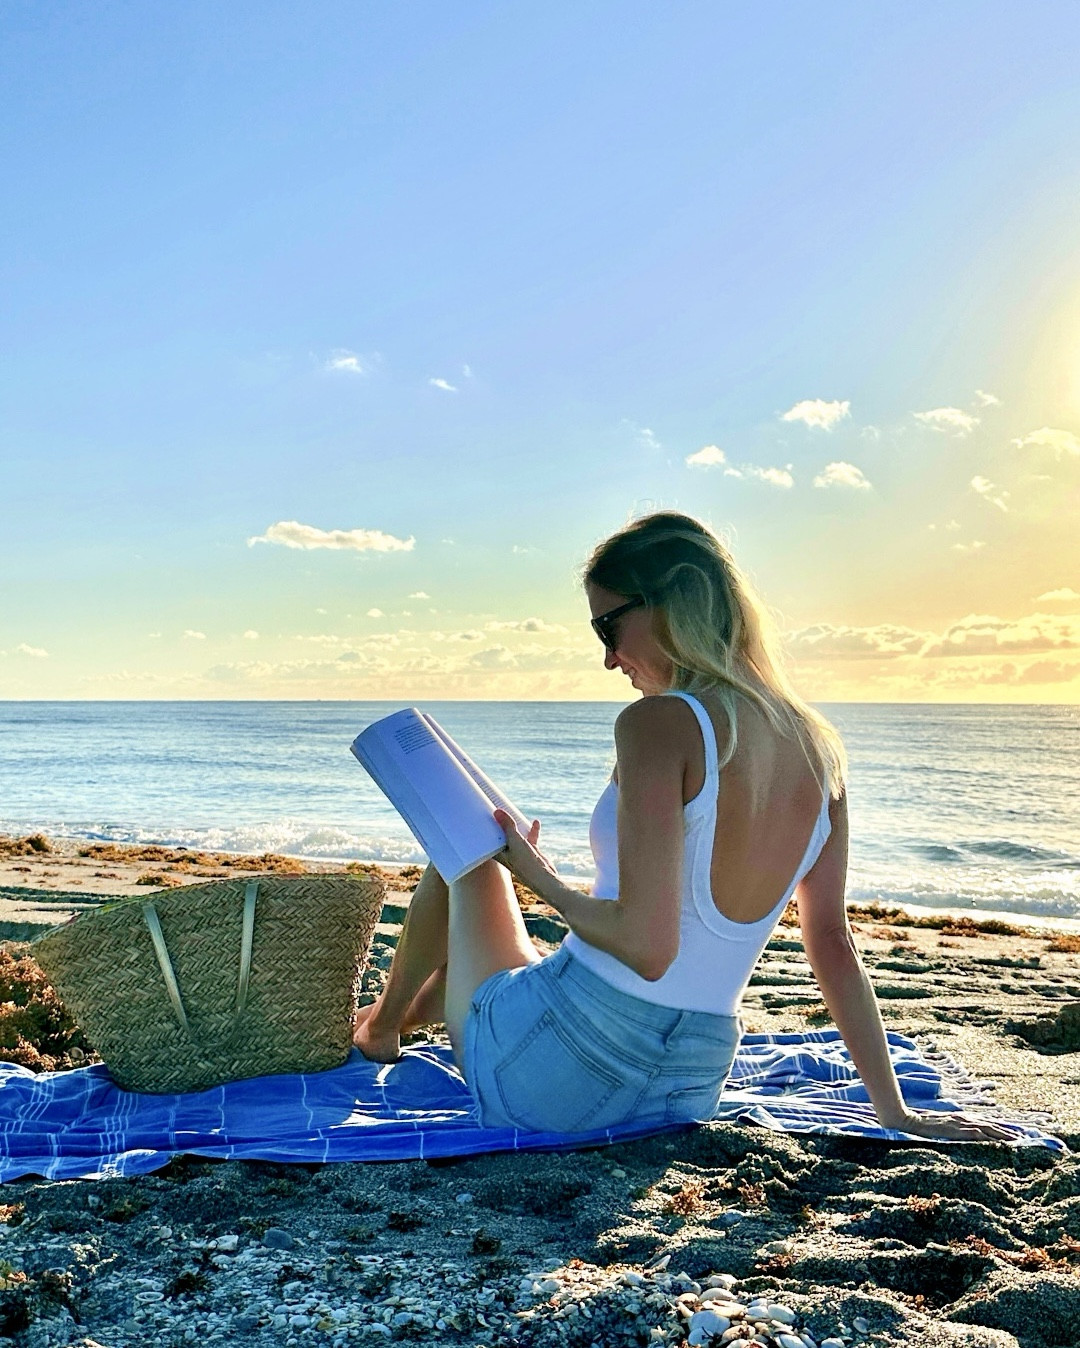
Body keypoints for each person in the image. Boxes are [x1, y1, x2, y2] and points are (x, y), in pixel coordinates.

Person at [354, 511, 1008, 1142]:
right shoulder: (819, 749)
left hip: (560, 1073)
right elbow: (833, 944)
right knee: (511, 938)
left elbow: (646, 947)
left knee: (463, 845)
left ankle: (386, 1025)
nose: (610, 659)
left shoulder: (660, 724)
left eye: (608, 628)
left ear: (674, 604)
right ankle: (416, 1006)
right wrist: (891, 1110)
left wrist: (535, 874)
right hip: (688, 1085)